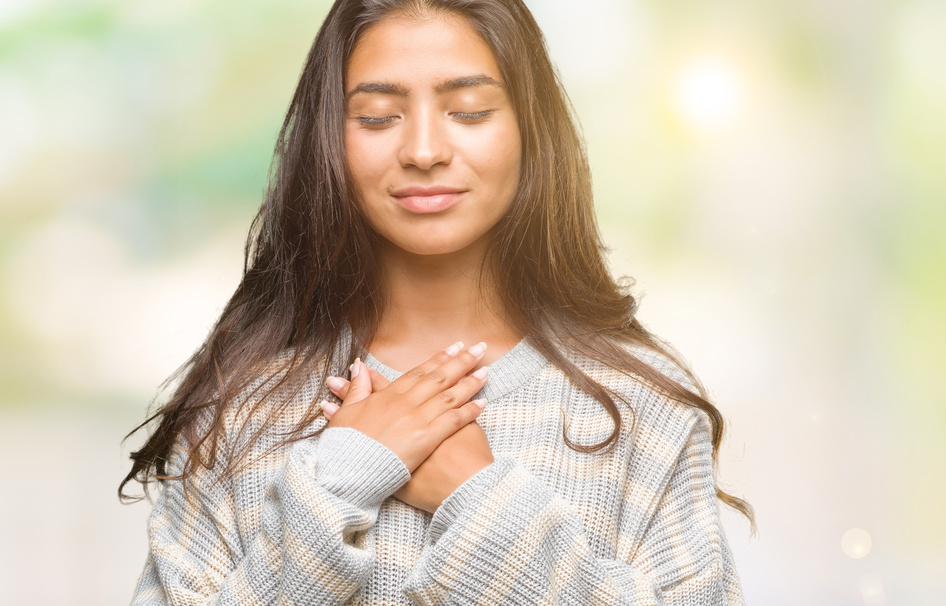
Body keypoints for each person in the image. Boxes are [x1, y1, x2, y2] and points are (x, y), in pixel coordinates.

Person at [120, 0, 751, 604]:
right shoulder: (244, 408)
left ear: (532, 130)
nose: (423, 151)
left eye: (470, 111)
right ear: (328, 140)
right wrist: (339, 480)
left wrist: (480, 500)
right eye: (376, 117)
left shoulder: (642, 408)